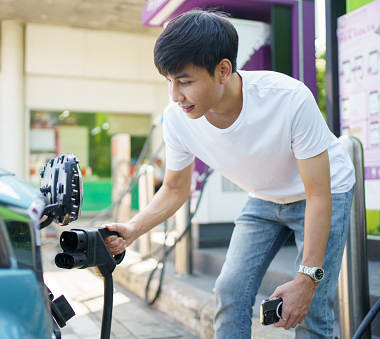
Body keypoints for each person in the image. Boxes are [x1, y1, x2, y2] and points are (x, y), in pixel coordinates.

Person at [104, 10, 355, 339]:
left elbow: (318, 193)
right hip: (264, 198)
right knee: (230, 292)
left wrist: (307, 279)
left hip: (323, 193)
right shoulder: (177, 119)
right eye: (169, 81)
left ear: (223, 70)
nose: (175, 95)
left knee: (311, 305)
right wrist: (133, 228)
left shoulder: (289, 99)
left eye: (186, 81)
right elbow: (176, 189)